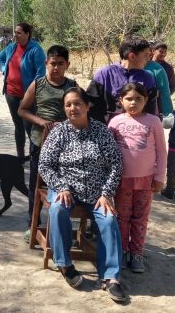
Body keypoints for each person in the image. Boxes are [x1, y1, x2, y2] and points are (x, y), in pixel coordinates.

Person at [38, 87, 127, 303]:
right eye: (68, 105)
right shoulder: (59, 133)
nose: (72, 108)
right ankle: (65, 264)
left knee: (108, 219)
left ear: (87, 106)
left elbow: (116, 164)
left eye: (77, 103)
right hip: (66, 188)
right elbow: (45, 164)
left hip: (97, 192)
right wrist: (61, 187)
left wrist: (106, 193)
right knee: (58, 209)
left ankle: (111, 277)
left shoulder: (101, 131)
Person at [107, 83, 167, 274]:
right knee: (122, 217)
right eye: (129, 99)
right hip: (121, 179)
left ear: (146, 101)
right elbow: (107, 153)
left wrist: (159, 177)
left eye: (138, 99)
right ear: (121, 101)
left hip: (146, 179)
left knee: (140, 218)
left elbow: (162, 151)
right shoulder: (115, 122)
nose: (133, 103)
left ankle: (137, 253)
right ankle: (123, 251)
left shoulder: (153, 121)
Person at [17, 45, 76, 235]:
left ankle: (60, 226)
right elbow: (22, 110)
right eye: (53, 64)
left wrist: (67, 123)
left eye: (61, 64)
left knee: (64, 184)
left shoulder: (72, 87)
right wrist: (42, 122)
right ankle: (32, 223)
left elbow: (81, 112)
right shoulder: (38, 84)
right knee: (36, 184)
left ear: (67, 64)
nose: (56, 68)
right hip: (39, 141)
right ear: (46, 63)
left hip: (67, 144)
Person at [0, 22, 46, 158]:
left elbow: (41, 74)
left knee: (29, 126)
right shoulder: (11, 47)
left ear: (27, 34)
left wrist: (31, 91)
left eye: (18, 32)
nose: (15, 35)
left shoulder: (36, 50)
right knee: (18, 126)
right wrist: (4, 69)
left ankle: (36, 156)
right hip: (11, 93)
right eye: (15, 32)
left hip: (27, 96)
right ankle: (20, 157)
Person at [86, 36, 158, 123]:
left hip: (138, 131)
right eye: (146, 55)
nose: (148, 59)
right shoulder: (103, 75)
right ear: (132, 56)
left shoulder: (148, 78)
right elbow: (91, 107)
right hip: (107, 130)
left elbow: (151, 111)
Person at [144, 46, 173, 117]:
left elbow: (166, 90)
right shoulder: (129, 67)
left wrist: (167, 112)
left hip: (152, 108)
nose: (163, 54)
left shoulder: (159, 69)